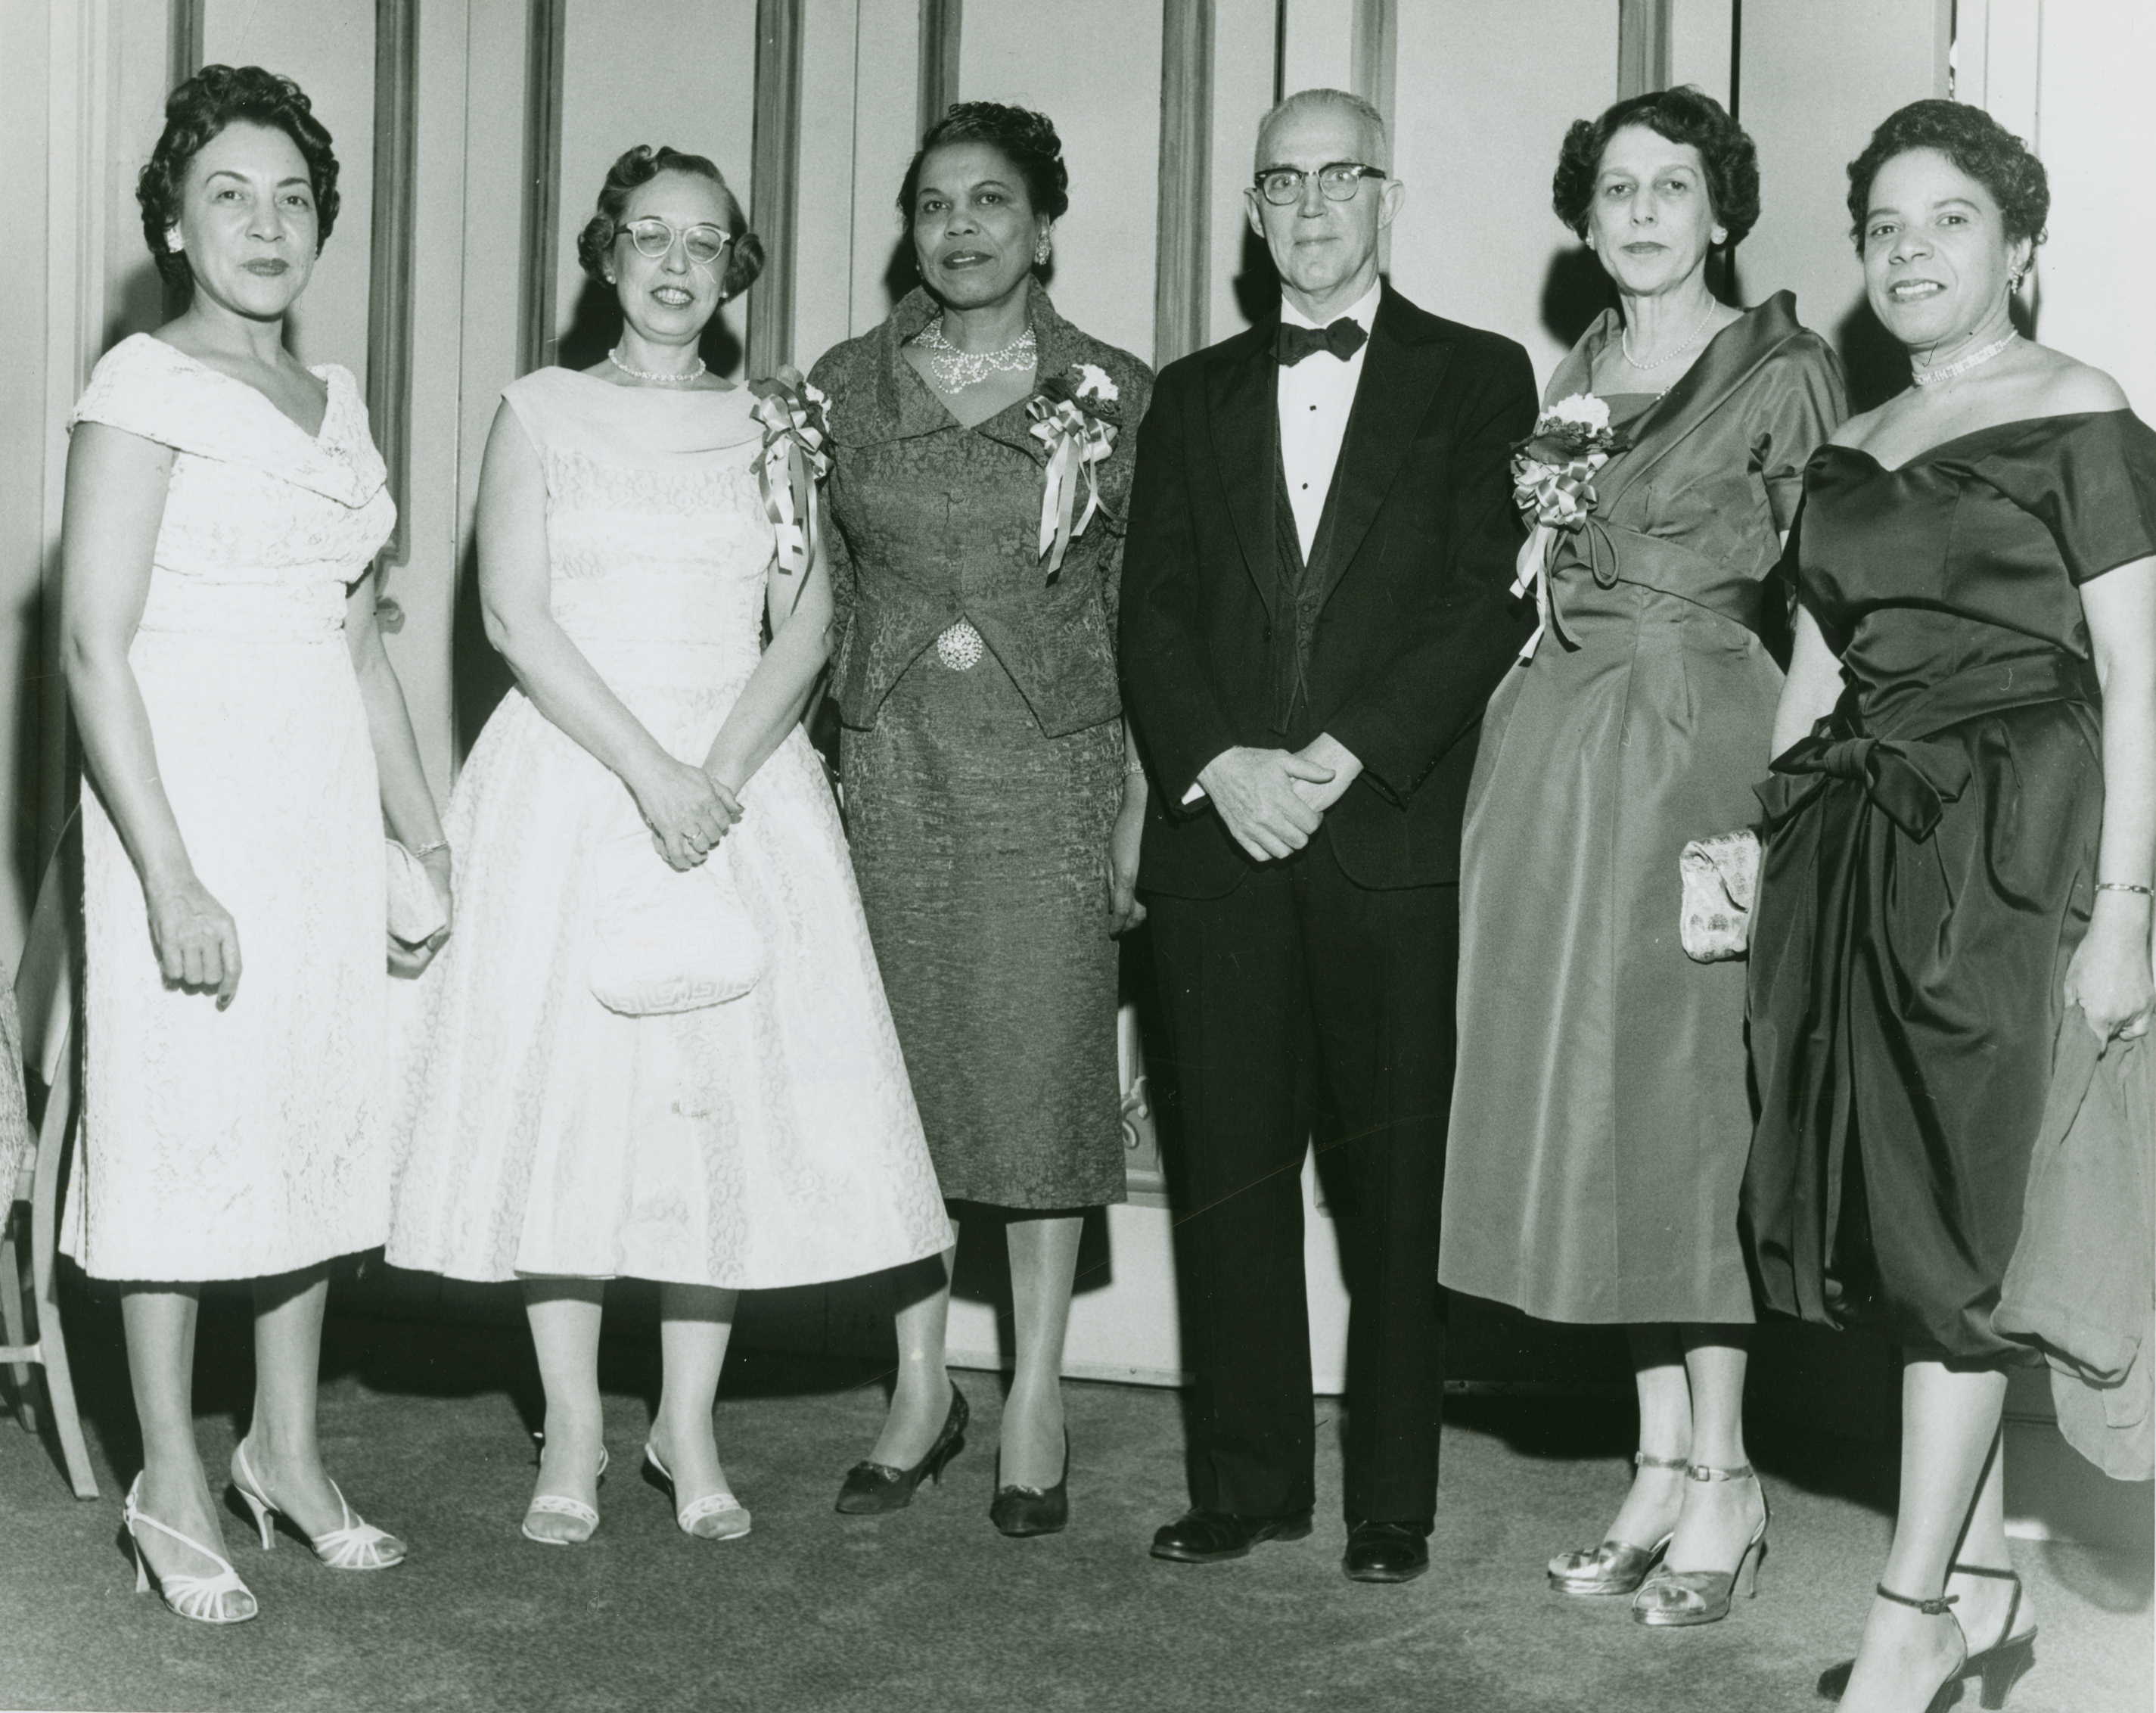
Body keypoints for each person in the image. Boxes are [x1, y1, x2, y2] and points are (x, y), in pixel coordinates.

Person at [387, 145, 949, 1547]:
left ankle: (685, 1425)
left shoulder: (774, 421)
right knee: (574, 1109)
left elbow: (810, 617)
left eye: (707, 239)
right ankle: (572, 1422)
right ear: (606, 253)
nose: (677, 261)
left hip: (736, 776)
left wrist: (721, 772)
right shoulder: (540, 410)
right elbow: (515, 618)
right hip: (579, 774)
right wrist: (648, 774)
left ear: (733, 266)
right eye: (651, 234)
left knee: (719, 1113)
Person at [1741, 101, 2153, 1712]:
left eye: (1950, 222)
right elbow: (1817, 668)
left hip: (2021, 835)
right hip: (1859, 839)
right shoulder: (1851, 450)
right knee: (1886, 1208)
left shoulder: (2087, 414)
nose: (1910, 252)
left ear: (2024, 249)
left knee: (1963, 1215)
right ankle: (1980, 1579)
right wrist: (1749, 841)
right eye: (1884, 229)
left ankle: (1910, 1608)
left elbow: (2140, 676)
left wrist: (2125, 908)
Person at [1120, 88, 1536, 1584]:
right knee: (1227, 1169)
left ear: (1388, 197)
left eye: (1338, 177)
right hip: (1220, 833)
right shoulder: (1191, 391)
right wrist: (1223, 764)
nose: (1308, 207)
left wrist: (1336, 757)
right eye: (1280, 182)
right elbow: (1151, 609)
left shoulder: (1481, 378)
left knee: (1392, 1189)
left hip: (1388, 835)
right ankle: (1243, 1482)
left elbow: (1488, 592)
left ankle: (1391, 1505)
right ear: (1249, 210)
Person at [1438, 88, 1844, 1624]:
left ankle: (1730, 1475)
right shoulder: (1582, 369)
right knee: (1593, 1113)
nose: (1644, 211)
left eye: (1674, 186)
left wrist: (1779, 801)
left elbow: (1832, 608)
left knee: (1687, 1113)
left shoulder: (1787, 368)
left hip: (1695, 749)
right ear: (1588, 216)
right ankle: (1659, 1458)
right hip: (1553, 763)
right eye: (1617, 188)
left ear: (1723, 212)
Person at [60, 65, 449, 1624]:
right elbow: (91, 647)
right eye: (229, 193)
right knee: (177, 1130)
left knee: (306, 1121)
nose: (265, 223)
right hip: (183, 804)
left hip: (312, 817)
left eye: (292, 197)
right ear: (174, 217)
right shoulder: (139, 386)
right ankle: (167, 1471)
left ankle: (284, 1449)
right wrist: (166, 872)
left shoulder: (336, 403)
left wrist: (427, 834)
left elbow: (361, 655)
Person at [810, 102, 1152, 1537]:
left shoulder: (1119, 391)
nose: (959, 228)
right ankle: (918, 1383)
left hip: (1054, 767)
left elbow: (1155, 613)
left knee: (1036, 1070)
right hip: (888, 763)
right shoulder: (840, 381)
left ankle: (1032, 1394)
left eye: (991, 202)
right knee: (897, 1077)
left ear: (1043, 227)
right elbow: (796, 584)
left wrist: (1141, 801)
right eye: (935, 204)